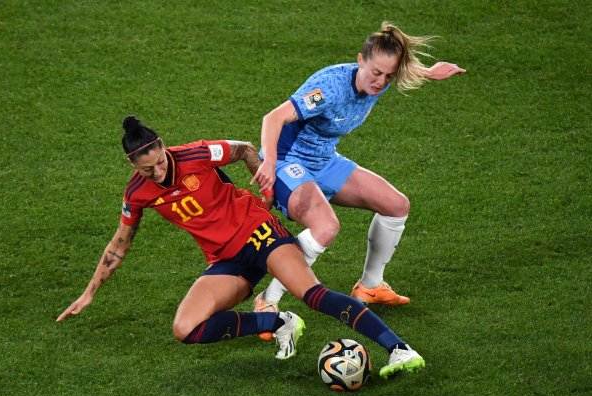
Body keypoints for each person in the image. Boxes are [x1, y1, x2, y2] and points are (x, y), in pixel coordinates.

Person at [57, 116, 425, 378]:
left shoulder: (197, 155)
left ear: (162, 146)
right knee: (186, 328)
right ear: (132, 165)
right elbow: (119, 246)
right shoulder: (137, 194)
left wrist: (267, 195)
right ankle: (279, 322)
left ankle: (399, 349)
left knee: (312, 293)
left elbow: (246, 149)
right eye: (146, 170)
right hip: (224, 259)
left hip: (258, 233)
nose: (156, 173)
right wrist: (89, 293)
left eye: (158, 162)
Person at [251, 21, 465, 317]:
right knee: (325, 228)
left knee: (396, 205)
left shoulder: (379, 79)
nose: (380, 82)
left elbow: (393, 70)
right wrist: (271, 164)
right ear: (360, 60)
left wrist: (430, 72)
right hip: (289, 161)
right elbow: (272, 118)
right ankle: (267, 299)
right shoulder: (328, 88)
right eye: (376, 72)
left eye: (389, 76)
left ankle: (370, 285)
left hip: (324, 160)